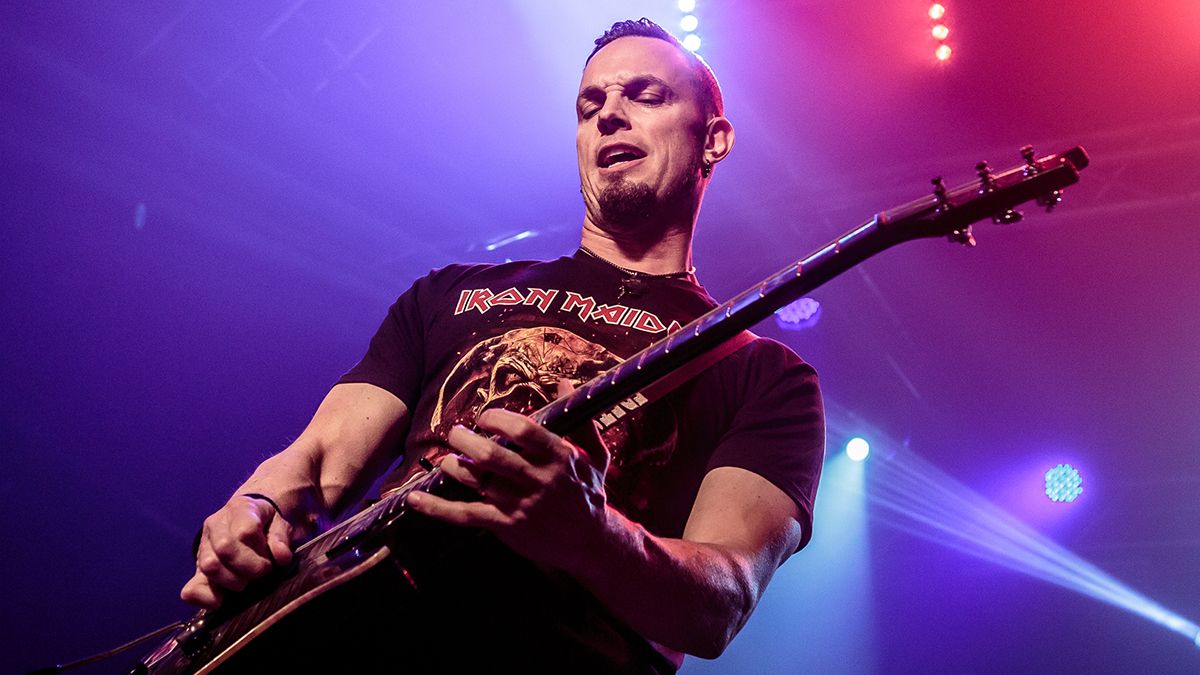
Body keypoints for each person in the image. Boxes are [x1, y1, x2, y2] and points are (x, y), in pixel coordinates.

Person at [181, 18, 824, 673]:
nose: (609, 116)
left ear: (713, 139)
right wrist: (252, 510)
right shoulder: (449, 294)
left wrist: (591, 534)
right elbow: (314, 462)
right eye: (590, 105)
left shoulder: (761, 372)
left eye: (644, 96)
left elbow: (720, 603)